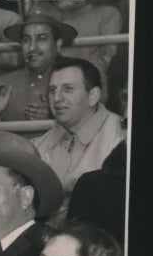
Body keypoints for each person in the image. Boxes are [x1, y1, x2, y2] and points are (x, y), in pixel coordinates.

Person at [34, 56, 124, 194]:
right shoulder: (38, 146)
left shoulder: (121, 138)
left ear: (93, 96)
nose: (57, 98)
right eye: (52, 90)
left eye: (68, 89)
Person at [0, 12, 77, 123]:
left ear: (58, 44)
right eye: (26, 40)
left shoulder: (76, 84)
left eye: (41, 39)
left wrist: (54, 117)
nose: (32, 47)